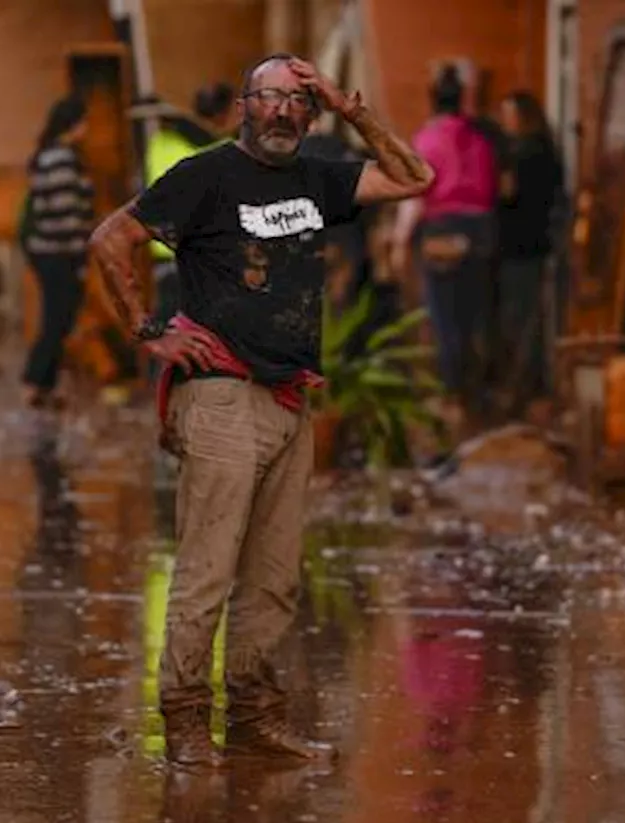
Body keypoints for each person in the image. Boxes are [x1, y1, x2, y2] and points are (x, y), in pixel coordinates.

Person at [89, 53, 433, 769]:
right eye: (269, 98)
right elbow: (110, 238)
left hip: (288, 396)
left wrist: (353, 109)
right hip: (218, 394)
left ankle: (254, 717)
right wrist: (151, 332)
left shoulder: (318, 177)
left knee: (275, 578)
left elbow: (414, 178)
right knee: (208, 569)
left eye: (296, 103)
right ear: (245, 106)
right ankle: (185, 720)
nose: (282, 112)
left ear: (309, 116)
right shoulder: (205, 176)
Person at [391, 64, 498, 426]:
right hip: (483, 231)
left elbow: (415, 194)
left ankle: (454, 398)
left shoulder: (428, 139)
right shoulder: (481, 139)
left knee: (446, 319)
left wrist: (400, 242)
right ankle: (478, 395)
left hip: (443, 231)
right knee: (476, 316)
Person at [136, 84, 240, 328]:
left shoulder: (160, 142)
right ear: (222, 115)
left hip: (162, 251)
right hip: (197, 255)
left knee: (168, 327)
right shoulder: (218, 151)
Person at [16, 95, 94, 409]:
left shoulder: (55, 156)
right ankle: (34, 381)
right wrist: (80, 257)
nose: (88, 129)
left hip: (49, 251)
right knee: (57, 319)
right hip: (57, 252)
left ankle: (43, 383)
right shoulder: (61, 160)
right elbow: (67, 215)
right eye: (84, 122)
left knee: (59, 318)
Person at [497, 90, 564, 418]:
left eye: (509, 115)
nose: (505, 122)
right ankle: (531, 388)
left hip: (519, 247)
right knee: (531, 319)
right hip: (538, 244)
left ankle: (524, 391)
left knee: (521, 321)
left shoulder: (520, 154)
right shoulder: (548, 150)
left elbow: (508, 194)